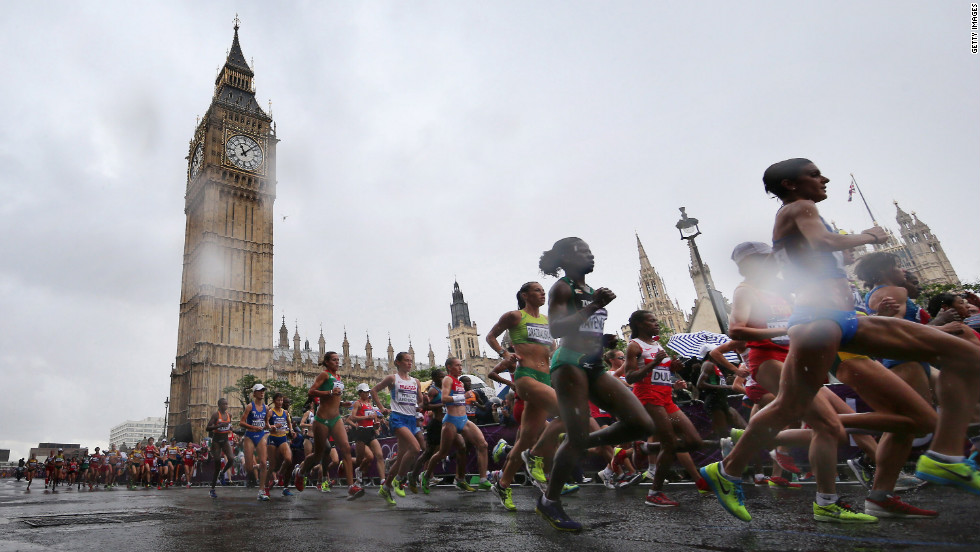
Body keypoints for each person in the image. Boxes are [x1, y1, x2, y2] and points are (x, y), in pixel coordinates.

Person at [701, 159, 979, 524]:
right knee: (792, 406)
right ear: (790, 184)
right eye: (814, 174)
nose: (824, 178)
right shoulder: (800, 207)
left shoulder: (799, 217)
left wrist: (840, 254)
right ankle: (731, 468)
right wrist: (868, 237)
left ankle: (938, 460)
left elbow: (815, 251)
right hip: (820, 319)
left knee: (960, 354)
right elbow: (821, 241)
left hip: (843, 319)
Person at [535, 237, 657, 531]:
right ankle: (550, 500)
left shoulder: (589, 289)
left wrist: (603, 340)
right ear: (566, 258)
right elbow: (557, 328)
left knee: (641, 423)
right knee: (580, 436)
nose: (590, 254)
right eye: (583, 251)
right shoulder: (563, 287)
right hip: (569, 364)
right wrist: (597, 305)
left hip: (594, 362)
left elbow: (585, 328)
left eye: (591, 249)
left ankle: (577, 443)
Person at [485, 281, 565, 511]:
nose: (543, 293)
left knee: (526, 438)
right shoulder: (514, 316)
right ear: (525, 295)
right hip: (526, 376)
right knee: (567, 413)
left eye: (543, 291)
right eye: (538, 290)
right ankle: (536, 457)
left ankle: (503, 483)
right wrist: (504, 353)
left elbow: (552, 351)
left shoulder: (547, 321)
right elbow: (491, 336)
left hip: (545, 377)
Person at [625, 310, 710, 506]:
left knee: (694, 441)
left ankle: (646, 447)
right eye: (651, 320)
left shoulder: (656, 343)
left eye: (656, 320)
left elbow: (661, 372)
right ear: (639, 324)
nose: (656, 323)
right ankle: (655, 493)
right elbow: (630, 377)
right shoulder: (634, 346)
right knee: (670, 444)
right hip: (648, 398)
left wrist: (673, 367)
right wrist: (654, 363)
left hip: (666, 399)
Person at [293, 352, 364, 500]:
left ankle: (351, 486)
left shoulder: (338, 377)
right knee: (319, 454)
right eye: (334, 360)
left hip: (336, 418)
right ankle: (300, 472)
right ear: (326, 362)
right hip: (322, 419)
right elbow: (311, 391)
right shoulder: (324, 375)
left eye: (338, 360)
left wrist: (342, 402)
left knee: (345, 449)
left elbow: (335, 398)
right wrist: (330, 392)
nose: (337, 362)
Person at [419, 357, 490, 493]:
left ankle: (481, 480)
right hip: (451, 421)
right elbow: (445, 398)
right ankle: (426, 475)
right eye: (457, 365)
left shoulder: (460, 383)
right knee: (442, 453)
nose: (460, 367)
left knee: (482, 445)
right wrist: (463, 396)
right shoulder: (448, 379)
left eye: (460, 365)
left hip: (463, 419)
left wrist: (465, 396)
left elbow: (461, 399)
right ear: (449, 367)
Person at [371, 352, 424, 505]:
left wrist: (423, 403)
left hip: (411, 420)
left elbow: (420, 401)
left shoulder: (416, 381)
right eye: (406, 360)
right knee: (415, 448)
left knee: (401, 457)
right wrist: (381, 408)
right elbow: (374, 390)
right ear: (398, 362)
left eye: (411, 361)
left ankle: (385, 487)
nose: (409, 363)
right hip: (397, 418)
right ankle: (399, 480)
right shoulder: (392, 378)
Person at [349, 383, 387, 497]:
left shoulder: (370, 404)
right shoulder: (357, 403)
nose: (367, 393)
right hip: (361, 432)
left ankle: (383, 481)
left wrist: (376, 425)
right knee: (363, 458)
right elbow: (352, 417)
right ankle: (359, 470)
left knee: (379, 455)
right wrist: (366, 417)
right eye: (365, 392)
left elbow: (374, 419)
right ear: (360, 393)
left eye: (368, 392)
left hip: (370, 432)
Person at [239, 384, 271, 500]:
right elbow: (241, 422)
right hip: (250, 436)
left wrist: (271, 427)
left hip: (261, 436)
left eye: (263, 391)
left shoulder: (266, 408)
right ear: (254, 394)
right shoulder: (249, 406)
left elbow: (266, 423)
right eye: (259, 391)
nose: (262, 393)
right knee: (249, 467)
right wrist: (252, 426)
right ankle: (252, 475)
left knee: (263, 462)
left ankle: (261, 491)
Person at [266, 392, 296, 497]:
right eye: (278, 400)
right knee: (272, 465)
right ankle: (265, 489)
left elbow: (289, 423)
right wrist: (272, 426)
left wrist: (292, 431)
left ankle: (280, 475)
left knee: (288, 459)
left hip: (283, 438)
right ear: (274, 401)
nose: (280, 402)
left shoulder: (285, 412)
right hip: (273, 439)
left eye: (281, 400)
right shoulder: (270, 412)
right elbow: (266, 425)